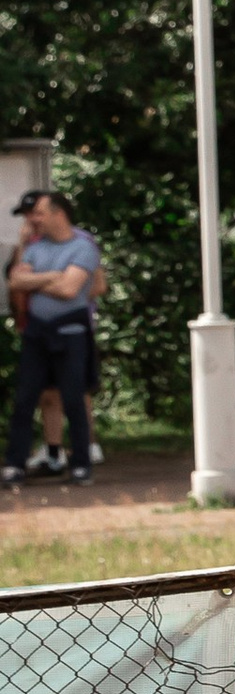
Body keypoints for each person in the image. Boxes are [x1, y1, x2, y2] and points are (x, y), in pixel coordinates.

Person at [4, 191, 101, 485]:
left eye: (40, 213)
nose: (34, 219)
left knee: (73, 398)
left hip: (71, 332)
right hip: (37, 331)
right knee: (26, 399)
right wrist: (53, 276)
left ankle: (81, 464)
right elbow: (16, 280)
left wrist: (38, 281)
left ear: (59, 214)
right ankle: (15, 465)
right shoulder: (34, 247)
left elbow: (71, 290)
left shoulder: (83, 246)